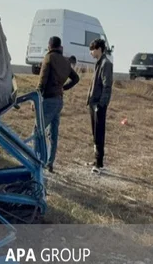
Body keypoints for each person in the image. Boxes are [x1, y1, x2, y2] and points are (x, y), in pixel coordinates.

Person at [36, 36, 80, 173]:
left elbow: (42, 82)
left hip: (48, 100)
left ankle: (36, 161)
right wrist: (64, 88)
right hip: (59, 100)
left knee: (38, 131)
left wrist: (36, 98)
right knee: (53, 133)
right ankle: (50, 162)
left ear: (49, 46)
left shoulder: (48, 58)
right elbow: (76, 78)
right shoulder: (66, 62)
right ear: (60, 46)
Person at [86, 38, 113, 174]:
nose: (91, 52)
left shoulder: (106, 63)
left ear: (99, 49)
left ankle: (99, 162)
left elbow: (107, 85)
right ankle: (96, 159)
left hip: (98, 104)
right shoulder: (99, 62)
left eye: (92, 49)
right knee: (94, 132)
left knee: (99, 132)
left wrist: (101, 104)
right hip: (93, 103)